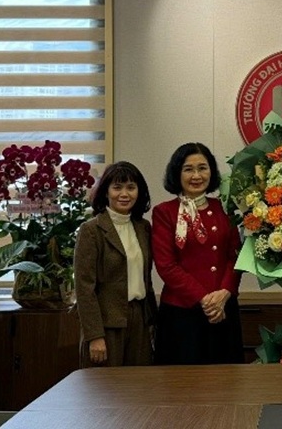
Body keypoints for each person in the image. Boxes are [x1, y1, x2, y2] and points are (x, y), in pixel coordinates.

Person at [151, 142, 244, 365]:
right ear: (177, 173)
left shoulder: (224, 208)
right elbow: (166, 265)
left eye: (202, 168)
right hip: (182, 314)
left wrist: (225, 293)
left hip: (223, 309)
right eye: (188, 169)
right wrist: (205, 300)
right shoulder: (165, 212)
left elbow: (235, 256)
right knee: (182, 382)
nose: (196, 176)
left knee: (226, 380)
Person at [75, 161, 158, 367]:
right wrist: (94, 335)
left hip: (140, 320)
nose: (124, 194)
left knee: (139, 383)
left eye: (131, 187)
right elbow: (84, 288)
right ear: (106, 192)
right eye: (117, 187)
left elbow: (146, 280)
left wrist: (152, 322)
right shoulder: (91, 230)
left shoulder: (143, 227)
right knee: (106, 385)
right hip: (106, 325)